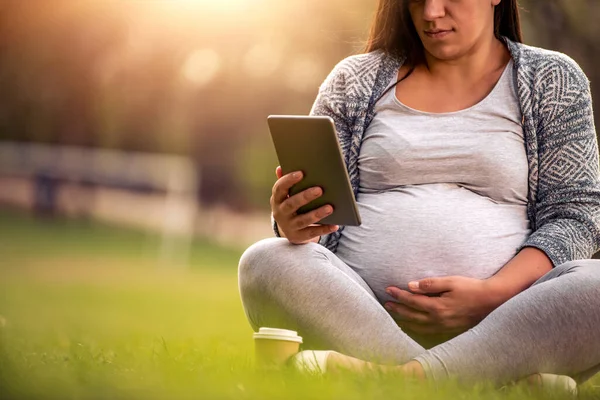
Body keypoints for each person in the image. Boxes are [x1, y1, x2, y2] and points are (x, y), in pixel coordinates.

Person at [238, 0, 600, 389]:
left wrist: (492, 294)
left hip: (509, 317)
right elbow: (321, 220)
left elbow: (577, 215)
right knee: (265, 261)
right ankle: (481, 383)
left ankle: (405, 380)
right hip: (361, 315)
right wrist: (296, 220)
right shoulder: (355, 80)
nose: (430, 12)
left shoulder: (553, 79)